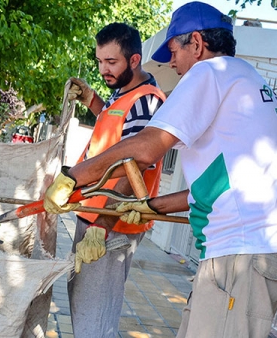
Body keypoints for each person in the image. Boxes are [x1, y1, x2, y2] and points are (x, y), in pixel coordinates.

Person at [44, 2, 277, 338]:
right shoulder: (248, 81)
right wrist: (148, 206)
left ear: (196, 42)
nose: (171, 61)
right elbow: (219, 184)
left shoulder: (210, 72)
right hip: (250, 253)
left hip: (240, 254)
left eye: (174, 49)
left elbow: (145, 149)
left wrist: (72, 176)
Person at [58, 22, 166, 337]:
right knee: (84, 308)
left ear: (134, 60)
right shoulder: (123, 93)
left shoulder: (147, 101)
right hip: (94, 216)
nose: (104, 69)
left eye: (111, 62)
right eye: (100, 61)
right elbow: (110, 128)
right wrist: (90, 98)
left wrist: (101, 227)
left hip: (113, 223)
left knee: (95, 318)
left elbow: (136, 165)